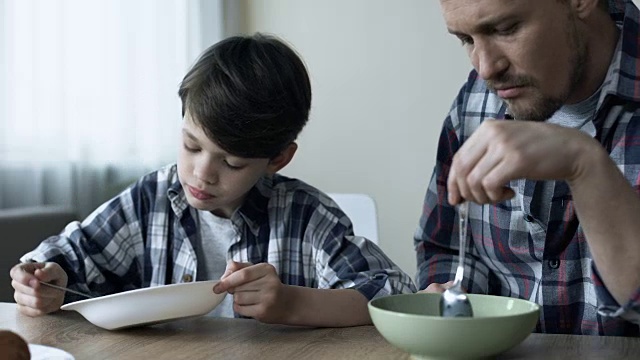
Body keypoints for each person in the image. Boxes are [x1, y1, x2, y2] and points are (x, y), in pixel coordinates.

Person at [10, 33, 416, 327]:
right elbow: (69, 256)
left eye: (233, 163)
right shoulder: (151, 200)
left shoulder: (306, 217)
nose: (202, 172)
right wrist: (46, 281)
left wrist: (292, 303)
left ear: (278, 158)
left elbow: (395, 297)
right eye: (191, 145)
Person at [416, 0, 640, 335]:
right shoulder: (475, 104)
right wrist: (453, 301)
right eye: (466, 40)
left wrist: (586, 165)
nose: (486, 67)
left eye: (506, 29)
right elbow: (444, 246)